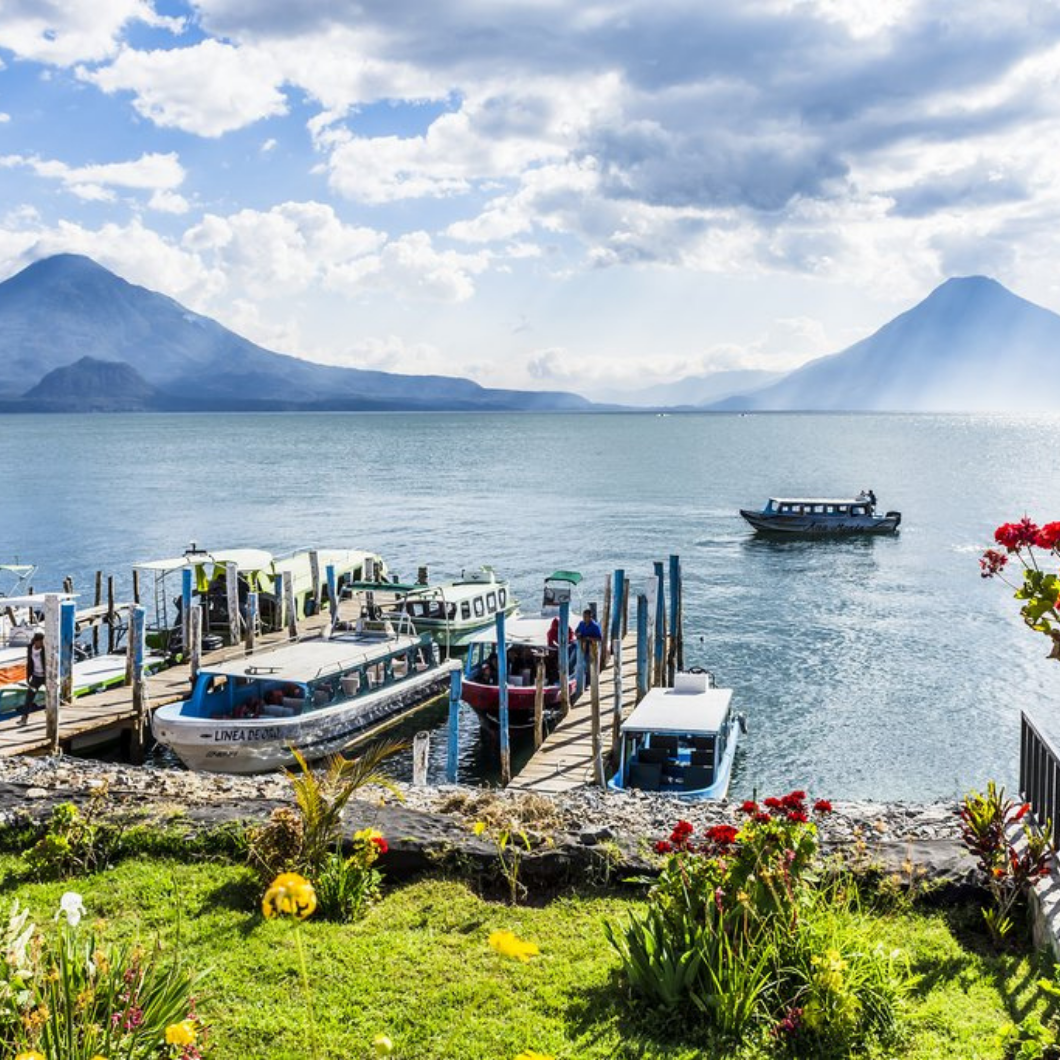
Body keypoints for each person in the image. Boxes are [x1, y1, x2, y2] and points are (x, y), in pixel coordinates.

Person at [20, 632, 46, 724]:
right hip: (35, 677)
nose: (42, 644)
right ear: (35, 641)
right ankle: (24, 718)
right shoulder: (30, 648)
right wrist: (28, 677)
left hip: (45, 677)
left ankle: (50, 711)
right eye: (40, 642)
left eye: (43, 642)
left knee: (51, 695)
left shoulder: (45, 649)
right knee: (29, 697)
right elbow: (29, 662)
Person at [575, 608, 602, 686]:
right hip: (582, 647)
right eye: (583, 616)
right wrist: (578, 634)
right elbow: (576, 631)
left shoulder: (595, 626)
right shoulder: (581, 623)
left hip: (591, 648)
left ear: (590, 617)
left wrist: (589, 638)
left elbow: (599, 638)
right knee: (580, 664)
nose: (584, 618)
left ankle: (589, 683)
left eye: (586, 617)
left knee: (588, 666)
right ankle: (580, 681)